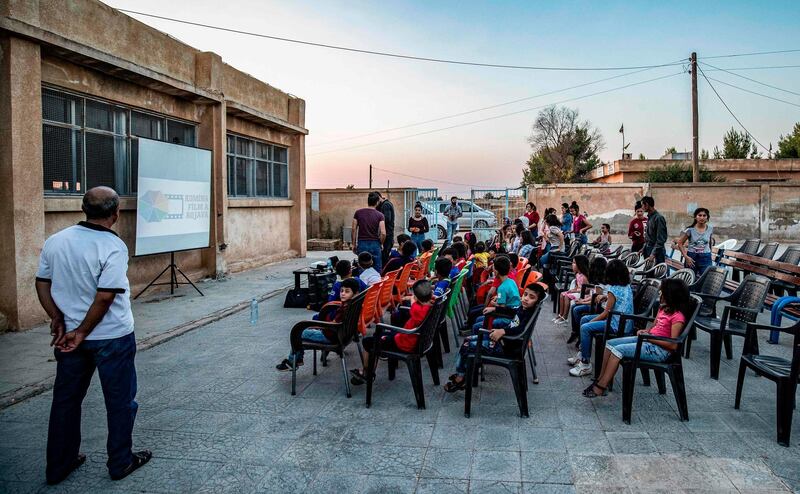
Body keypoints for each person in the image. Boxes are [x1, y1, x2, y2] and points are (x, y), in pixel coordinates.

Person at [35, 186, 151, 484]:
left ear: (83, 209)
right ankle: (120, 462)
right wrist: (83, 331)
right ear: (115, 214)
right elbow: (105, 297)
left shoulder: (56, 241)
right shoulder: (112, 246)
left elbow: (42, 283)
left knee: (66, 401)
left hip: (69, 337)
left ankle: (59, 465)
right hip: (112, 337)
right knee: (120, 401)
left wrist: (58, 320)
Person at [583, 278, 690, 398]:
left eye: (662, 291)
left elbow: (673, 344)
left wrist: (649, 338)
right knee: (610, 344)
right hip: (648, 340)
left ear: (671, 295)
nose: (660, 293)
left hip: (659, 351)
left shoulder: (678, 317)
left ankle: (601, 386)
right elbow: (655, 328)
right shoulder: (663, 309)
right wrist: (647, 331)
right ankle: (600, 379)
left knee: (618, 350)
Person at [444, 283, 546, 392]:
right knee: (467, 340)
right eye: (525, 294)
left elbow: (520, 330)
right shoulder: (524, 308)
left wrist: (503, 331)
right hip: (504, 341)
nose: (526, 298)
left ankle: (461, 377)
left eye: (532, 297)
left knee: (467, 345)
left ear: (537, 302)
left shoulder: (528, 313)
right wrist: (495, 309)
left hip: (505, 347)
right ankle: (463, 373)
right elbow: (512, 311)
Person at [352, 279, 434, 384]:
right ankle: (370, 370)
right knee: (377, 335)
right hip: (410, 338)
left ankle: (366, 373)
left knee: (367, 342)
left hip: (404, 343)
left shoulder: (418, 310)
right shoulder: (431, 305)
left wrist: (413, 301)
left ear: (417, 297)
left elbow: (414, 308)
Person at [276, 278, 362, 372]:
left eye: (347, 291)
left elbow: (334, 325)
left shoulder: (344, 309)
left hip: (330, 337)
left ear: (355, 293)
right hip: (342, 336)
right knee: (303, 336)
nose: (343, 293)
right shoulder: (354, 304)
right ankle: (297, 359)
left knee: (298, 332)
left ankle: (293, 361)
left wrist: (322, 324)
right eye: (341, 291)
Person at [568, 259, 634, 377]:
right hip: (625, 323)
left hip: (615, 325)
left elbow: (605, 314)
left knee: (585, 327)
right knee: (584, 319)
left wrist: (591, 322)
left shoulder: (613, 290)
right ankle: (582, 354)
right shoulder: (626, 286)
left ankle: (585, 364)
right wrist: (604, 296)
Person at [568, 256, 607, 345]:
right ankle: (576, 331)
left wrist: (583, 302)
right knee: (575, 306)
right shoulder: (599, 281)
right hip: (595, 304)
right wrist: (583, 301)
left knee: (577, 309)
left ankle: (578, 332)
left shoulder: (601, 284)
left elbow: (596, 301)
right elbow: (594, 296)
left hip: (598, 308)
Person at [352, 192, 387, 273]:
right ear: (377, 202)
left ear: (368, 201)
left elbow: (354, 229)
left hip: (362, 243)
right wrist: (381, 243)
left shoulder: (358, 213)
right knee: (377, 268)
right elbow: (383, 233)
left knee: (362, 268)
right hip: (375, 244)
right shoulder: (380, 215)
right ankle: (377, 284)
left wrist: (353, 244)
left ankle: (364, 285)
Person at [677, 207, 714, 277]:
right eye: (699, 215)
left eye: (704, 215)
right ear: (695, 217)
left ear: (707, 217)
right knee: (690, 279)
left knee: (705, 279)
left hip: (706, 258)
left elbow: (709, 242)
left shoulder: (710, 229)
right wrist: (686, 256)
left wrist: (710, 253)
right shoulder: (690, 230)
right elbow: (680, 243)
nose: (702, 217)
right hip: (691, 258)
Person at [554, 255, 590, 324]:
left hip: (583, 295)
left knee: (567, 297)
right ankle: (560, 314)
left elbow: (587, 290)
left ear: (580, 264)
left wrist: (577, 291)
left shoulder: (584, 277)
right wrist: (572, 290)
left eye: (574, 263)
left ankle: (565, 317)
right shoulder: (577, 275)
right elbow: (577, 286)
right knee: (562, 294)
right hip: (577, 292)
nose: (572, 264)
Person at [641, 196, 667, 265]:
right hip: (648, 249)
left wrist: (653, 253)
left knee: (656, 274)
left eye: (642, 205)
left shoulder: (658, 218)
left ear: (646, 205)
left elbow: (661, 239)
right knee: (648, 273)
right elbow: (649, 236)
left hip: (657, 252)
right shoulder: (650, 217)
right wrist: (644, 247)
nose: (642, 207)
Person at [376, 192, 396, 267]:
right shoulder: (384, 205)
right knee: (384, 256)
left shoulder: (386, 205)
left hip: (387, 235)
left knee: (384, 257)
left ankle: (384, 275)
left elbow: (387, 219)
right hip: (388, 234)